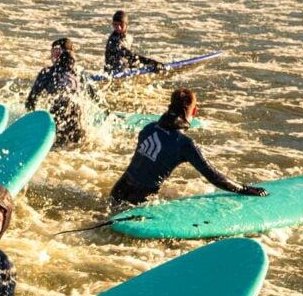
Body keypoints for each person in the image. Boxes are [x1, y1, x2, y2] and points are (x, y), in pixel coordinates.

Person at [109, 88, 268, 207]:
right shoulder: (184, 144)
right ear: (195, 111)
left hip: (118, 189)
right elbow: (213, 176)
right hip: (140, 198)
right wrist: (244, 189)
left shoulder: (148, 128)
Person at [25, 37, 100, 146]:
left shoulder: (48, 73)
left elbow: (31, 101)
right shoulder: (80, 73)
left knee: (60, 146)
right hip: (78, 117)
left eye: (56, 52)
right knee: (78, 146)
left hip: (59, 115)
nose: (53, 56)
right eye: (53, 52)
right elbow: (96, 98)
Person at [104, 10, 163, 75]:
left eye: (121, 24)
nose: (118, 28)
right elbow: (130, 56)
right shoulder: (113, 41)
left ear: (126, 24)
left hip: (123, 69)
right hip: (113, 73)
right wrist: (152, 63)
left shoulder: (127, 37)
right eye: (115, 24)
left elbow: (129, 59)